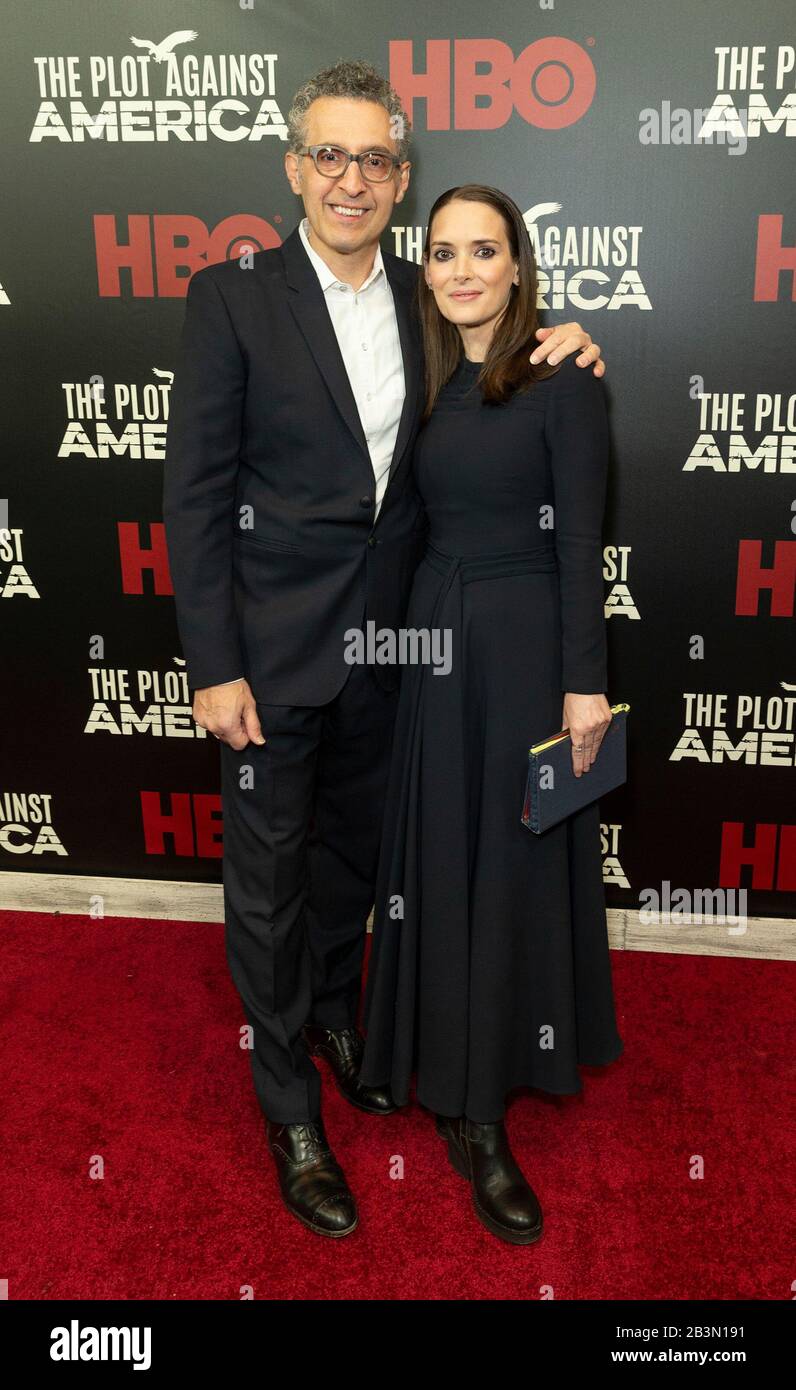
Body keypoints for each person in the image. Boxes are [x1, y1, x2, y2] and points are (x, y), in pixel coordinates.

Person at [163, 59, 606, 1240]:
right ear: (294, 165)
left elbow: (506, 372)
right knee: (265, 883)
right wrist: (213, 663)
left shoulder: (430, 293)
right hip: (266, 656)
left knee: (356, 865)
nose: (350, 178)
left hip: (399, 652)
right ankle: (291, 1111)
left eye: (373, 159)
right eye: (329, 154)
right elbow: (197, 498)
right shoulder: (233, 296)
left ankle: (334, 1011)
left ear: (398, 178)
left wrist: (573, 341)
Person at [359, 184, 623, 1246]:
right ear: (425, 270)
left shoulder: (562, 378)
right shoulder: (428, 382)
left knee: (507, 864)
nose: (462, 268)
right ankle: (431, 1055)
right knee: (438, 863)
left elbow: (578, 546)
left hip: (521, 653)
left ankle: (483, 1106)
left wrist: (583, 680)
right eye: (443, 252)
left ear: (518, 265)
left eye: (484, 250)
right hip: (433, 641)